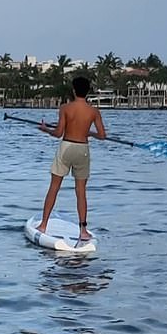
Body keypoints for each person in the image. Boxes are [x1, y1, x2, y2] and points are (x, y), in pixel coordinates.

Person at [37, 76, 106, 240]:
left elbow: (59, 133)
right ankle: (83, 231)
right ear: (87, 92)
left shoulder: (65, 108)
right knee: (81, 192)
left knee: (54, 187)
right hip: (83, 149)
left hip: (66, 147)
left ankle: (43, 224)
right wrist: (89, 133)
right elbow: (102, 136)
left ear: (74, 90)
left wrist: (45, 129)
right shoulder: (93, 111)